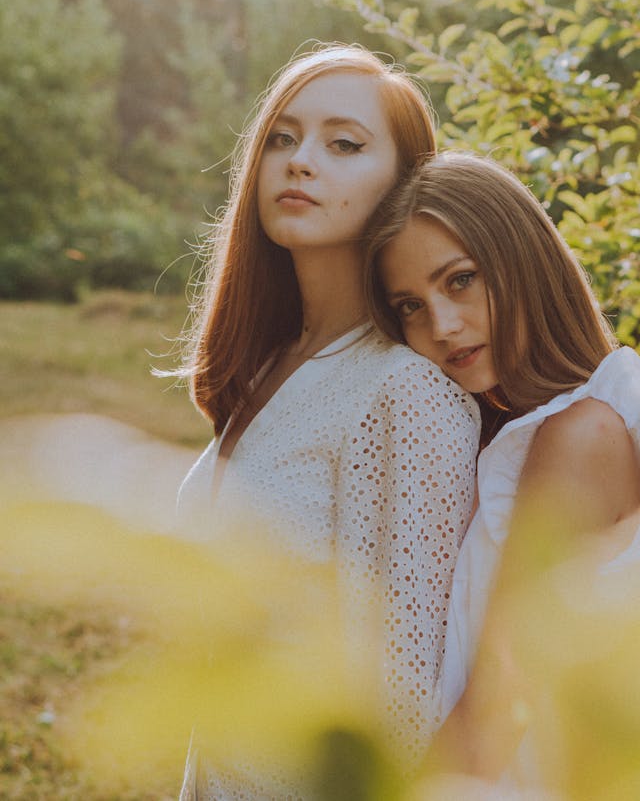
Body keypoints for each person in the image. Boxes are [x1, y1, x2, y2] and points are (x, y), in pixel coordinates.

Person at [174, 48, 481, 799]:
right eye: (282, 138)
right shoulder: (272, 364)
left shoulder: (405, 390)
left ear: (404, 185)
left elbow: (405, 712)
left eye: (343, 143)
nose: (300, 162)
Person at [365, 151, 640, 798]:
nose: (441, 324)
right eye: (409, 304)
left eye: (460, 279)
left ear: (523, 259)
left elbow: (497, 707)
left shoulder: (580, 435)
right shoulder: (510, 439)